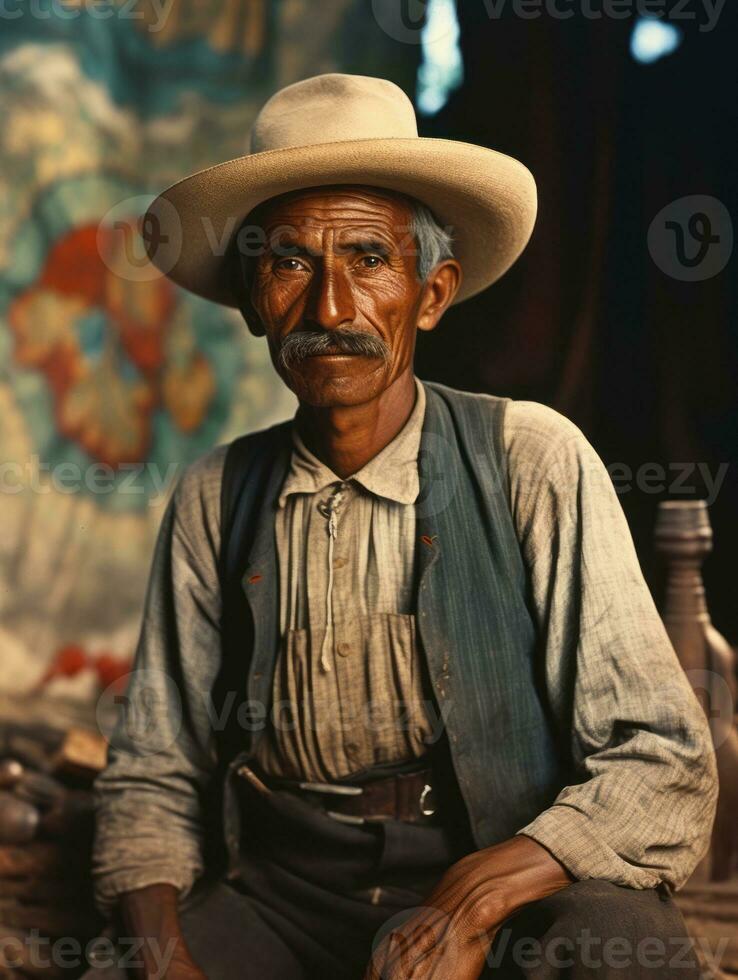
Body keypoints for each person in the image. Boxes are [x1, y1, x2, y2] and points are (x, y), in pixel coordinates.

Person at [87, 74, 717, 980]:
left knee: (629, 953)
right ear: (257, 300)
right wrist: (162, 961)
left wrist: (472, 902)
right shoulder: (215, 495)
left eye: (370, 260)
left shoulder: (532, 459)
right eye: (292, 262)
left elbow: (662, 759)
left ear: (431, 294)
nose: (331, 311)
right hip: (285, 893)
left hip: (503, 865)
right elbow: (152, 773)